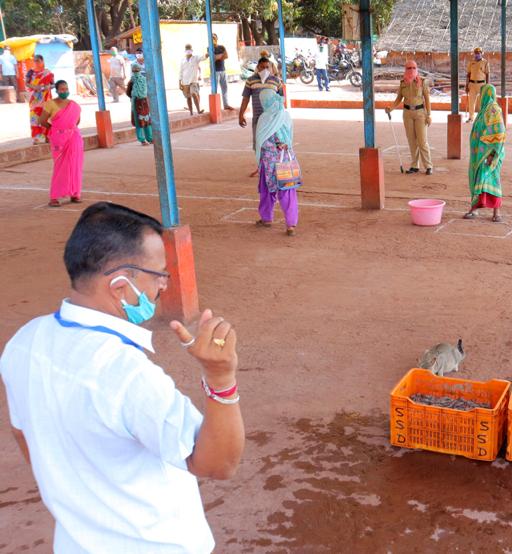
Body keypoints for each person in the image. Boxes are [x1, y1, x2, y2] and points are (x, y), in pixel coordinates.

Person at [0, 201, 245, 552]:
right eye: (158, 273)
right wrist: (221, 378)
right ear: (119, 284)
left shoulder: (25, 341)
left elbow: (22, 431)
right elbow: (218, 463)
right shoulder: (125, 373)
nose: (163, 285)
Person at [254, 89, 300, 236]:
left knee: (266, 190)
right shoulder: (285, 115)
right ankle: (291, 224)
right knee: (288, 191)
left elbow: (261, 142)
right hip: (286, 159)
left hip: (268, 162)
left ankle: (266, 218)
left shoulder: (264, 118)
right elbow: (290, 136)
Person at [37, 80, 83, 207]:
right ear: (56, 90)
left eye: (66, 89)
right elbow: (42, 121)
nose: (65, 91)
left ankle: (75, 193)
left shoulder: (74, 105)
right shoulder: (50, 104)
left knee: (75, 164)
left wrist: (67, 129)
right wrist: (55, 129)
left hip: (74, 137)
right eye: (62, 89)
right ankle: (54, 197)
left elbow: (77, 121)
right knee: (60, 166)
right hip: (58, 138)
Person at [464, 84, 505, 222]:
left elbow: (499, 132)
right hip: (479, 155)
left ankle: (496, 212)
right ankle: (474, 209)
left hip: (489, 154)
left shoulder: (493, 109)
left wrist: (492, 154)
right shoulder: (483, 111)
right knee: (479, 180)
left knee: (493, 180)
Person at [239, 57, 285, 178]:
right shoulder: (250, 81)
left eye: (267, 67)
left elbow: (281, 100)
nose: (264, 69)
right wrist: (241, 114)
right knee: (258, 143)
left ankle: (276, 167)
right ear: (257, 67)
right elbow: (245, 98)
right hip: (258, 118)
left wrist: (282, 117)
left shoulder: (276, 81)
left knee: (275, 143)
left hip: (273, 119)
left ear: (270, 68)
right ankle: (261, 168)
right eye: (262, 67)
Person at [385, 61, 433, 175]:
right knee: (412, 141)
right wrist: (391, 108)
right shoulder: (403, 83)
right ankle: (414, 166)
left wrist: (429, 115)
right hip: (407, 114)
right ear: (405, 69)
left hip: (420, 113)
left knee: (422, 141)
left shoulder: (422, 82)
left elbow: (427, 99)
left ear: (417, 68)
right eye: (409, 68)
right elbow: (399, 98)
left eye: (414, 67)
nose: (411, 70)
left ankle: (428, 166)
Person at [27, 55, 55, 145]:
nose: (36, 63)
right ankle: (37, 139)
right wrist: (34, 87)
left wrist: (48, 87)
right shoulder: (30, 72)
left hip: (46, 99)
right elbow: (26, 83)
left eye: (38, 61)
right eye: (34, 61)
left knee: (46, 118)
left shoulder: (47, 72)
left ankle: (48, 137)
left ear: (42, 61)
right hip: (34, 99)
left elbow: (54, 85)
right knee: (34, 118)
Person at [127, 62, 153, 146]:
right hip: (143, 101)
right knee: (144, 120)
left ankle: (144, 139)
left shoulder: (132, 81)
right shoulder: (143, 79)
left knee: (142, 121)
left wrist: (134, 95)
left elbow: (128, 92)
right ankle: (148, 139)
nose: (136, 71)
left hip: (138, 101)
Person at [179, 44, 208, 116]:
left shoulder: (196, 58)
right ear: (185, 51)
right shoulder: (182, 60)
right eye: (187, 49)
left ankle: (198, 110)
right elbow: (180, 72)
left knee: (194, 94)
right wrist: (180, 83)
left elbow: (203, 57)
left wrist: (208, 53)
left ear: (192, 50)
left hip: (193, 81)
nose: (188, 51)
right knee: (188, 97)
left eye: (189, 49)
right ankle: (191, 112)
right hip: (185, 82)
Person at [465, 47, 489, 122]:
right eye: (476, 53)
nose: (477, 54)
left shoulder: (485, 62)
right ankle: (471, 118)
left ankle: (482, 118)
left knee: (482, 101)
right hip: (472, 83)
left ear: (481, 53)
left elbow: (487, 74)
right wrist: (466, 85)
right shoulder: (471, 62)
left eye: (479, 53)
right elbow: (468, 74)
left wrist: (487, 85)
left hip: (482, 84)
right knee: (471, 102)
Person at [211, 33, 234, 111]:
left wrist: (218, 57)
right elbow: (213, 58)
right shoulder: (209, 48)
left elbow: (226, 56)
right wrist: (221, 56)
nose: (213, 39)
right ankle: (216, 107)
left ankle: (226, 105)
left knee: (225, 88)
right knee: (215, 89)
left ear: (217, 38)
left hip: (223, 70)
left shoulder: (221, 47)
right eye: (212, 38)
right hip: (215, 71)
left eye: (214, 37)